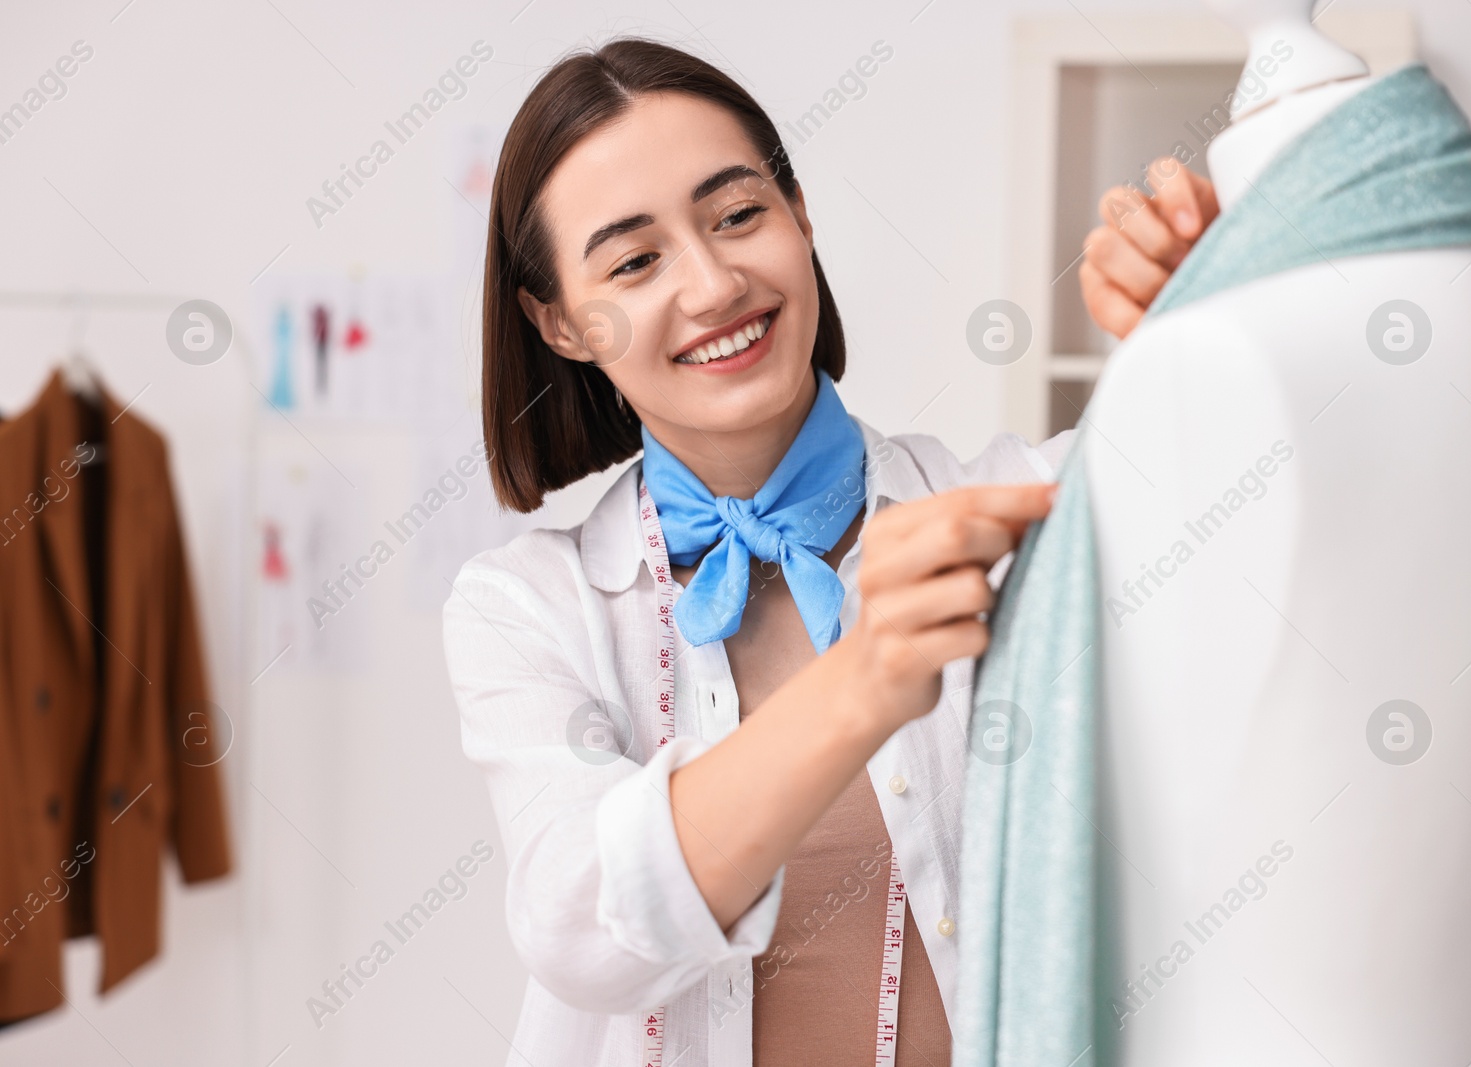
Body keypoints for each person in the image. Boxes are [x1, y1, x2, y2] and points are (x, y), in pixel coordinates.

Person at [441, 37, 1214, 1067]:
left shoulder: (1021, 510)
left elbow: (1283, 514)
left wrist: (1215, 332)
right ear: (562, 324)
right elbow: (581, 923)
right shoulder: (528, 606)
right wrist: (862, 679)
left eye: (738, 215)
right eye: (634, 261)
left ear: (799, 216)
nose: (714, 283)